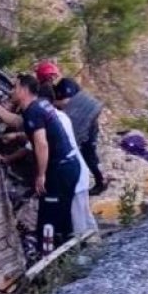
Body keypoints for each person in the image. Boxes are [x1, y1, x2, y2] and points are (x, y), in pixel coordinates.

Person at [0, 75, 82, 251]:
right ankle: (69, 251)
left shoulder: (33, 111)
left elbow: (41, 144)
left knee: (48, 215)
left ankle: (46, 256)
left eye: (14, 87)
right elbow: (17, 122)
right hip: (69, 167)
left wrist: (41, 175)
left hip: (59, 169)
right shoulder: (39, 106)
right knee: (63, 212)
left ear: (23, 89)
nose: (11, 91)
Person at [34, 61, 106, 195]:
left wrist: (47, 104)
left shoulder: (66, 83)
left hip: (86, 125)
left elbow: (68, 102)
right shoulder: (54, 89)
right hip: (76, 125)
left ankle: (100, 182)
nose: (46, 83)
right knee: (79, 153)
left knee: (88, 153)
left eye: (45, 80)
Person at [52, 79, 99, 235]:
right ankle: (94, 242)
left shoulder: (56, 121)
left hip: (73, 178)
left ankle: (83, 251)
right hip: (79, 173)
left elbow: (35, 146)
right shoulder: (64, 118)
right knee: (84, 213)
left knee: (78, 219)